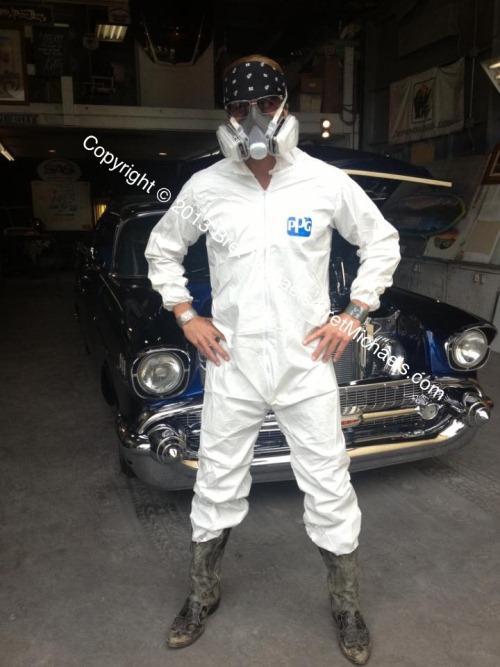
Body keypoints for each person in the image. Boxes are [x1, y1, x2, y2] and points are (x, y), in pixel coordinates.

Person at [145, 54, 400, 665]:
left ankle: (345, 604)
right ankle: (202, 594)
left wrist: (354, 313)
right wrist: (186, 314)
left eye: (266, 105)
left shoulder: (323, 182)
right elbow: (163, 250)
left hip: (304, 362)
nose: (254, 120)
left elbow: (382, 241)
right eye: (240, 108)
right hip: (232, 362)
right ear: (227, 115)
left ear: (286, 108)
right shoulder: (206, 187)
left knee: (328, 481)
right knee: (216, 478)